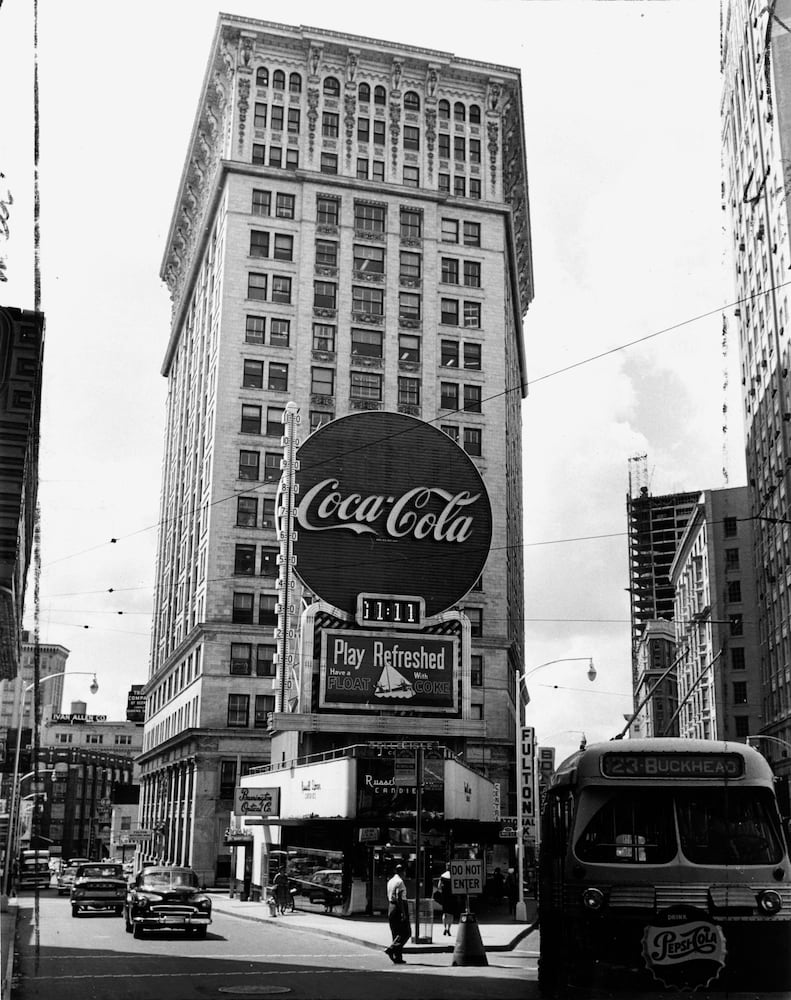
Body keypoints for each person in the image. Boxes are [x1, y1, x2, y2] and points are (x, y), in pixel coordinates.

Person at [385, 863, 410, 964]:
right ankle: (392, 949)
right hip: (399, 907)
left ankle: (398, 957)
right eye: (404, 872)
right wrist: (403, 912)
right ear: (402, 871)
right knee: (406, 932)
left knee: (396, 933)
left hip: (391, 907)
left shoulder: (390, 881)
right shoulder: (400, 882)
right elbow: (399, 897)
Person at [436, 863, 459, 936]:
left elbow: (439, 886)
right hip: (452, 897)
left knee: (445, 914)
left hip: (444, 896)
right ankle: (449, 929)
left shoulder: (443, 876)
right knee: (451, 914)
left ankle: (445, 928)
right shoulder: (455, 876)